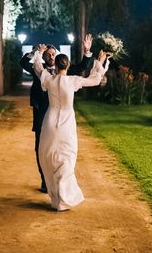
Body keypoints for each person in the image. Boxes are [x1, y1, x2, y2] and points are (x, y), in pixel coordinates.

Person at [32, 44, 109, 211]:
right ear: (66, 66)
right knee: (67, 157)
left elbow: (38, 68)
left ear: (57, 65)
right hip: (66, 122)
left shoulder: (48, 79)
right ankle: (64, 197)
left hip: (50, 121)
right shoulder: (73, 80)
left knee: (49, 154)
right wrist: (99, 62)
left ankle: (55, 196)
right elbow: (95, 80)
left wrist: (39, 53)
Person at [19, 35, 95, 193]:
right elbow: (23, 63)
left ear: (57, 56)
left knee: (62, 148)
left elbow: (82, 66)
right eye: (48, 54)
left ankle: (60, 179)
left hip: (62, 117)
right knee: (41, 147)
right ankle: (45, 180)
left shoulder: (65, 71)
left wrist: (87, 51)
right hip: (42, 113)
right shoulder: (38, 70)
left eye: (53, 54)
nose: (51, 56)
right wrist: (35, 52)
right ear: (44, 57)